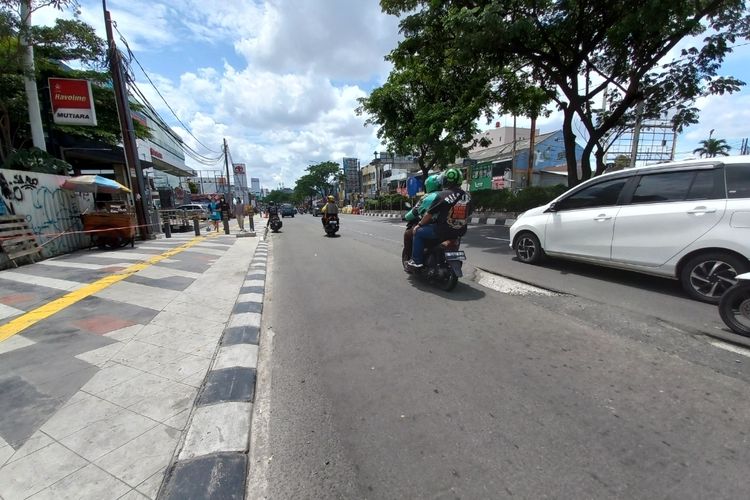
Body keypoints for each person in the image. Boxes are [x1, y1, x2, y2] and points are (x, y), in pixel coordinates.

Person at [407, 168, 472, 269]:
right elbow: (469, 212)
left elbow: (429, 214)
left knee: (418, 232)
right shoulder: (467, 196)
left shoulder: (442, 195)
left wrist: (419, 225)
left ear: (445, 180)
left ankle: (416, 261)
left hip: (442, 231)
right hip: (460, 231)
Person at [403, 174, 442, 258]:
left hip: (433, 227)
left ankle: (415, 260)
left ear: (428, 185)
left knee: (409, 233)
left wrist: (405, 217)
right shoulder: (447, 195)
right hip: (449, 228)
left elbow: (415, 212)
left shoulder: (427, 198)